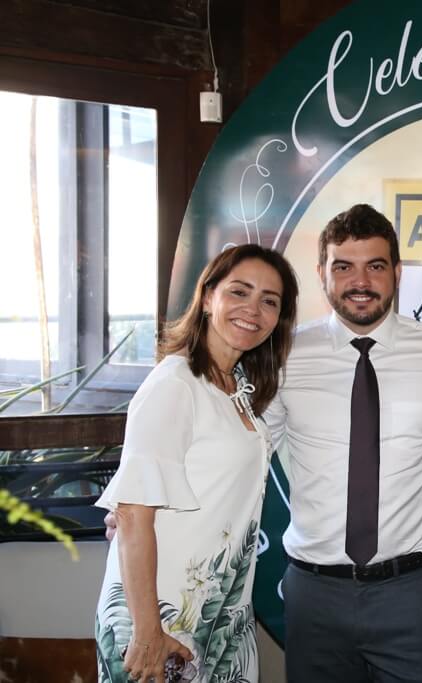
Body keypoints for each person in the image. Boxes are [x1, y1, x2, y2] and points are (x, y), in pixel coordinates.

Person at [264, 204, 422, 682]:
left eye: (375, 266)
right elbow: (243, 459)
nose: (360, 281)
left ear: (397, 273)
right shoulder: (284, 356)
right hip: (314, 595)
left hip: (413, 595)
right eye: (343, 267)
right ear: (321, 273)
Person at [95, 244, 299, 683]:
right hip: (162, 616)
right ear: (207, 297)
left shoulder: (239, 387)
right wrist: (147, 631)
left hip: (223, 616)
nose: (253, 309)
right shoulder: (175, 383)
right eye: (239, 292)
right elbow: (132, 512)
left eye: (269, 301)